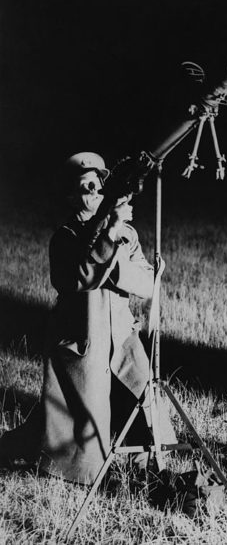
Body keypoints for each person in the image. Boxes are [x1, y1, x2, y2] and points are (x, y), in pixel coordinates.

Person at [0, 152, 175, 484]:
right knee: (75, 428)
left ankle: (144, 463)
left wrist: (116, 253)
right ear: (70, 195)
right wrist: (109, 240)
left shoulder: (125, 233)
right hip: (83, 342)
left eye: (98, 186)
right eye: (86, 187)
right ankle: (44, 457)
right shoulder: (65, 238)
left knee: (140, 403)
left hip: (121, 338)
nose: (95, 192)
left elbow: (147, 283)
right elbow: (81, 277)